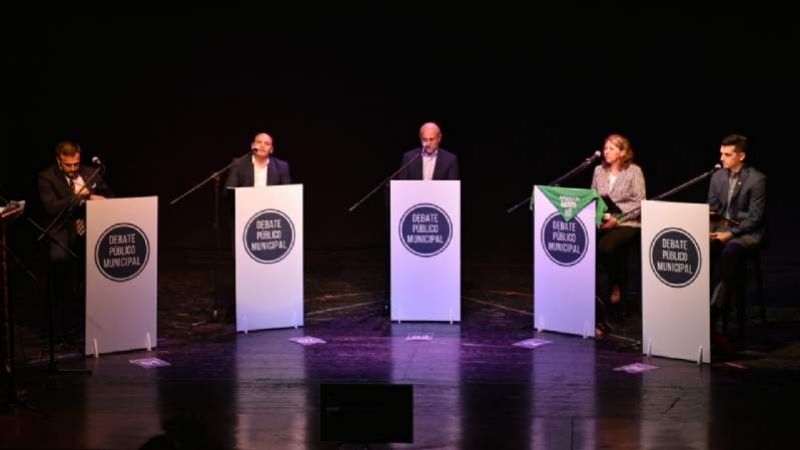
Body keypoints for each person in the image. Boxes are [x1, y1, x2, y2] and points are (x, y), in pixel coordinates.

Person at [38, 140, 111, 343]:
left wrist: (98, 197)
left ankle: (97, 321)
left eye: (76, 164)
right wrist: (78, 197)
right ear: (59, 161)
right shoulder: (46, 177)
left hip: (90, 229)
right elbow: (51, 207)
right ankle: (62, 324)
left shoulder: (91, 173)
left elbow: (107, 194)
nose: (72, 169)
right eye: (68, 165)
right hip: (61, 231)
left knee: (100, 263)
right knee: (60, 262)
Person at [708, 134, 766, 345]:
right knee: (701, 249)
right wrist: (710, 229)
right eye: (721, 153)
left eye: (727, 154)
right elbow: (712, 209)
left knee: (731, 251)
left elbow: (755, 219)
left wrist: (730, 233)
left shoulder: (757, 180)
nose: (722, 158)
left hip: (748, 235)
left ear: (741, 156)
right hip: (722, 231)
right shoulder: (717, 177)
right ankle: (695, 309)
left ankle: (715, 309)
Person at [590, 134, 646, 336]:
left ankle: (615, 284)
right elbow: (593, 197)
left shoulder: (634, 171)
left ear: (623, 152)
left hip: (628, 222)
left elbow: (640, 202)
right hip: (605, 222)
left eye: (612, 148)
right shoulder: (598, 171)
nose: (606, 152)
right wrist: (600, 219)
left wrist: (618, 219)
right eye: (605, 148)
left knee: (606, 247)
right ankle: (591, 300)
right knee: (587, 246)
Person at [225, 132, 291, 188]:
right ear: (253, 146)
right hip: (246, 202)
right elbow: (229, 190)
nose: (262, 145)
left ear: (271, 149)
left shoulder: (282, 166)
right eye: (259, 142)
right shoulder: (238, 164)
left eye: (267, 144)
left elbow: (287, 192)